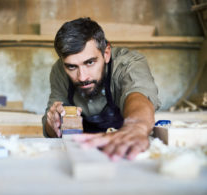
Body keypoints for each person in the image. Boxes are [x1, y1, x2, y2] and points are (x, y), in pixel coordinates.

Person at [42, 17, 161, 161]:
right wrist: (53, 124)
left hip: (125, 151)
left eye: (90, 62)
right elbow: (50, 129)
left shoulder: (129, 63)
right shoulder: (59, 71)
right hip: (82, 153)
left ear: (106, 53)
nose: (82, 77)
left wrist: (135, 127)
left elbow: (138, 95)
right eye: (72, 67)